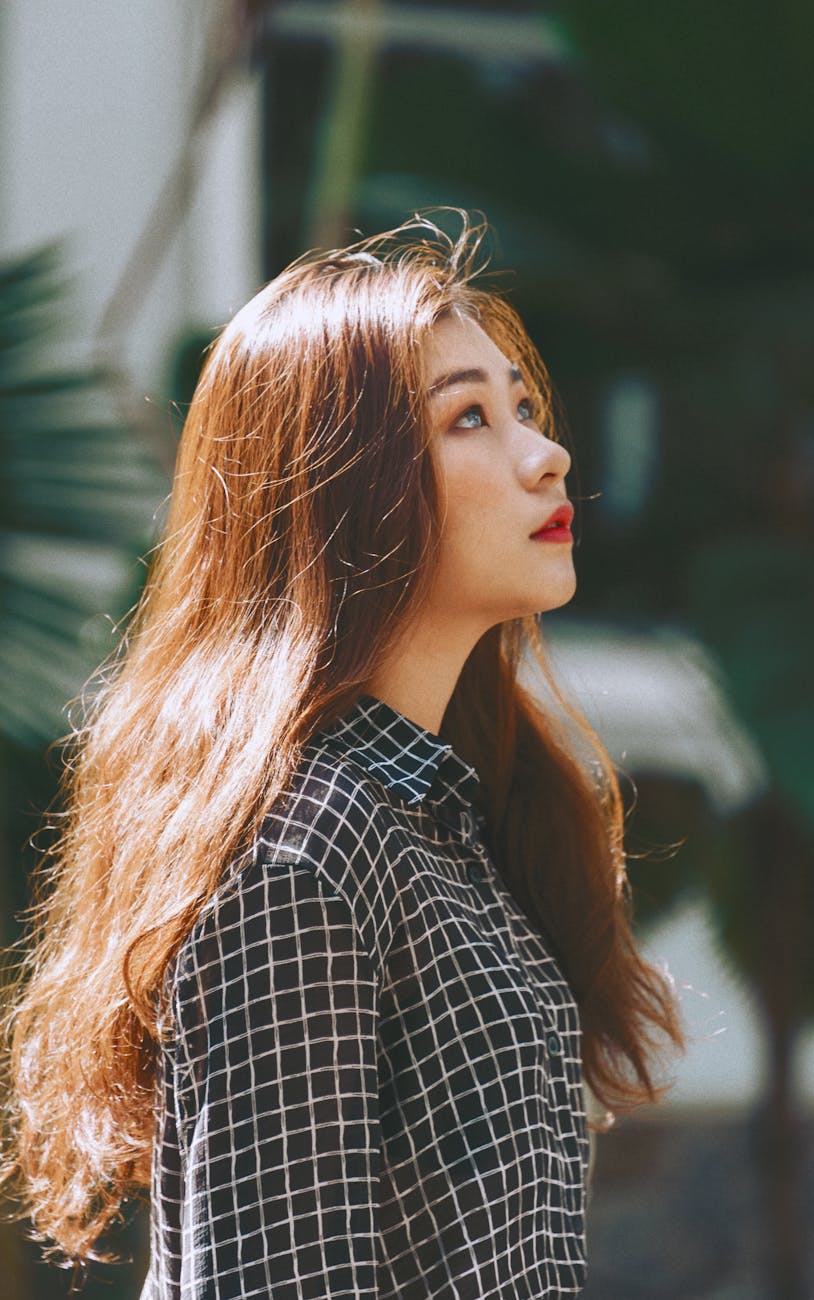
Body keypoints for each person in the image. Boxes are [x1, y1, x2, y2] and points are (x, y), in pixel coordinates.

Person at [1, 212, 683, 1298]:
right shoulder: (306, 852)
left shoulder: (443, 814)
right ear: (344, 489)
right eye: (469, 418)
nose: (545, 452)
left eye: (522, 406)